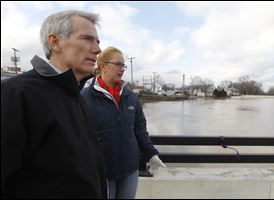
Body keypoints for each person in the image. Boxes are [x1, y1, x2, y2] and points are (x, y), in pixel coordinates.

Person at [1, 10, 107, 198]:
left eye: (97, 42)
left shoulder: (76, 96)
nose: (98, 49)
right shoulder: (16, 93)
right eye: (87, 39)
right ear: (55, 42)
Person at [81, 47, 166, 199]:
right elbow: (79, 136)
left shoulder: (130, 97)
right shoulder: (85, 98)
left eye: (123, 65)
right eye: (118, 64)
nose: (122, 69)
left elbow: (140, 130)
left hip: (130, 169)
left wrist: (152, 154)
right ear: (103, 67)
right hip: (103, 171)